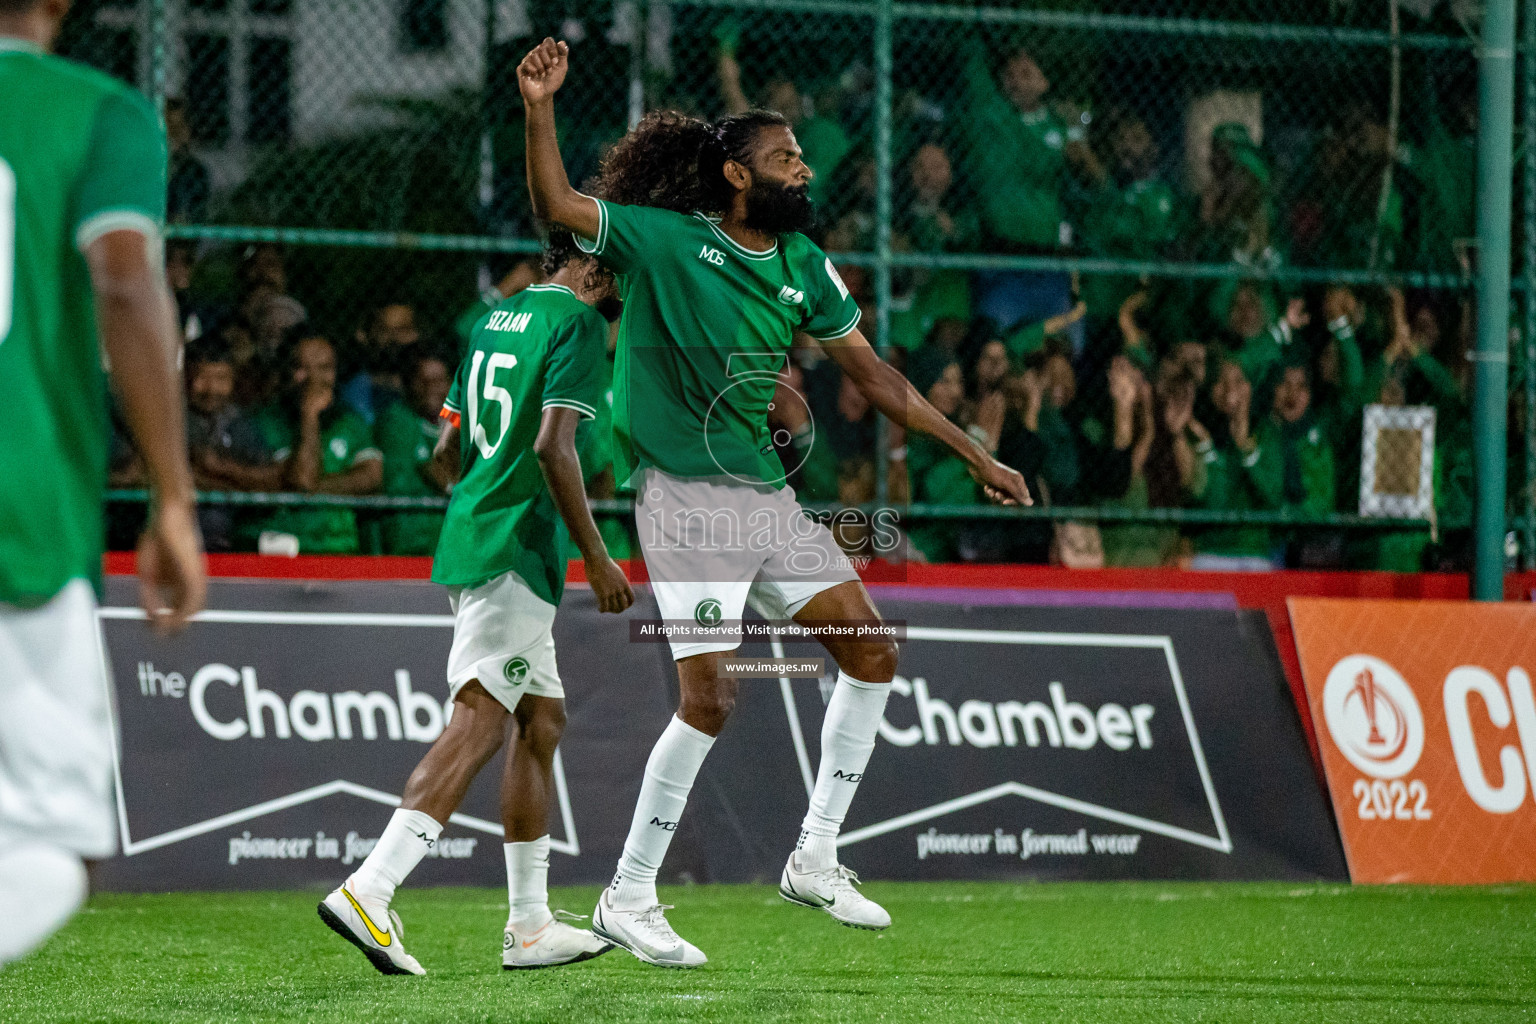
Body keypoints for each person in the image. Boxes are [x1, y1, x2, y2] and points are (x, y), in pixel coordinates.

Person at [518, 37, 1029, 968]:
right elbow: (556, 206)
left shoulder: (803, 262)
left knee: (870, 650)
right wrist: (540, 105)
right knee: (710, 700)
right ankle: (627, 896)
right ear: (734, 172)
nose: (805, 164)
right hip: (683, 501)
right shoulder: (664, 237)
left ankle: (817, 856)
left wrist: (974, 450)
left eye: (802, 153)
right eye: (786, 155)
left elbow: (876, 380)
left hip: (764, 500)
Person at [319, 238, 633, 974]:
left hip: (475, 535)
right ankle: (372, 887)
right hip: (517, 547)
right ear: (588, 269)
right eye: (616, 281)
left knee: (540, 719)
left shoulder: (495, 320)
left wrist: (481, 494)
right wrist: (595, 553)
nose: (618, 300)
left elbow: (442, 454)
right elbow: (557, 450)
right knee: (482, 720)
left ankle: (529, 926)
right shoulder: (578, 326)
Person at [0, 0, 205, 965]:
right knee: (58, 849)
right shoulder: (99, 111)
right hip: (20, 519)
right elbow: (124, 279)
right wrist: (172, 495)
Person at [249, 331, 382, 554]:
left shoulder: (350, 421)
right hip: (286, 549)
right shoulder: (265, 421)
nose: (314, 379)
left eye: (325, 368)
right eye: (302, 368)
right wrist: (309, 414)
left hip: (341, 547)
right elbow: (303, 478)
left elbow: (371, 478)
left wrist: (309, 490)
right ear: (285, 371)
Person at [377, 349, 454, 555]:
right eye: (422, 381)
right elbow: (438, 473)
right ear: (407, 384)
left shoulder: (459, 421)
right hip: (409, 540)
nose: (430, 388)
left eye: (438, 380)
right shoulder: (398, 418)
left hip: (446, 541)